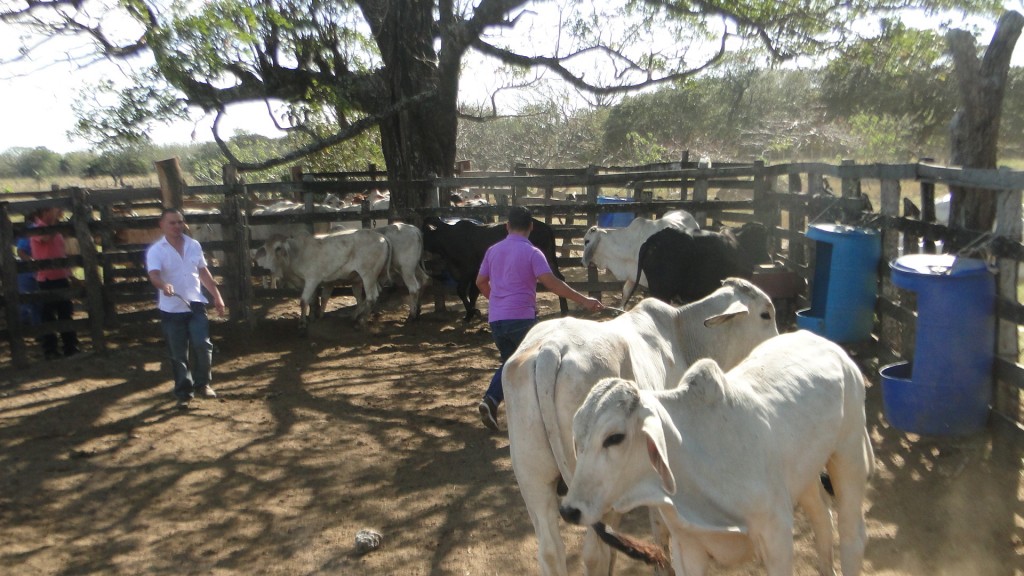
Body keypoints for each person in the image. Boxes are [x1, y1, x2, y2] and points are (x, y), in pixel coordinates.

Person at [474, 205, 603, 431]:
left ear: (507, 226)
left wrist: (496, 301)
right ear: (531, 227)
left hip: (496, 321)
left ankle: (495, 402)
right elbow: (552, 283)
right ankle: (532, 414)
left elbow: (480, 282)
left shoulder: (493, 250)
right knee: (537, 365)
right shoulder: (532, 252)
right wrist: (584, 301)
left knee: (511, 364)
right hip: (522, 318)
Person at [146, 208, 226, 410]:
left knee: (202, 344)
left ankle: (203, 383)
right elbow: (154, 275)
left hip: (195, 304)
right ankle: (183, 392)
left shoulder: (193, 245)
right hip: (172, 309)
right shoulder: (156, 250)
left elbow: (203, 271)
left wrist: (217, 296)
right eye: (172, 223)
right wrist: (163, 286)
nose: (177, 226)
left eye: (180, 222)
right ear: (162, 225)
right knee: (178, 353)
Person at [30, 205, 79, 359]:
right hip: (47, 278)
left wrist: (70, 274)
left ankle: (70, 347)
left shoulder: (54, 229)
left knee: (66, 313)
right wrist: (55, 224)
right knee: (48, 315)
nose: (58, 212)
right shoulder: (38, 229)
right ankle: (50, 350)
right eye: (54, 209)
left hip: (60, 276)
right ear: (45, 211)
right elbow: (45, 238)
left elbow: (60, 253)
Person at [15, 209, 42, 328]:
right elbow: (20, 250)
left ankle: (36, 328)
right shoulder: (32, 230)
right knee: (30, 302)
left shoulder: (38, 229)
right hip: (29, 272)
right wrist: (32, 264)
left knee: (35, 302)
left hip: (34, 271)